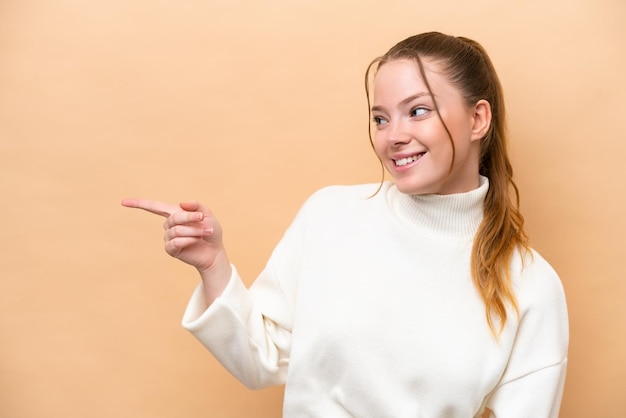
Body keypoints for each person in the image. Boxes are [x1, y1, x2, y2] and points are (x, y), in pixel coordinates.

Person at [122, 32, 569, 417]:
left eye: (417, 111)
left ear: (477, 119)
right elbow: (260, 359)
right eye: (380, 117)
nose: (393, 135)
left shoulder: (530, 284)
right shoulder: (330, 216)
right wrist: (212, 264)